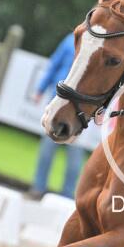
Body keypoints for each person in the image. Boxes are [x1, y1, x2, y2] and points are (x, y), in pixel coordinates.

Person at [28, 32, 87, 199]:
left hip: (79, 108)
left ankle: (66, 194)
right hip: (59, 102)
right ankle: (39, 187)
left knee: (74, 155)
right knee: (48, 149)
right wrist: (40, 89)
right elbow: (54, 65)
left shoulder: (91, 44)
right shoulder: (70, 41)